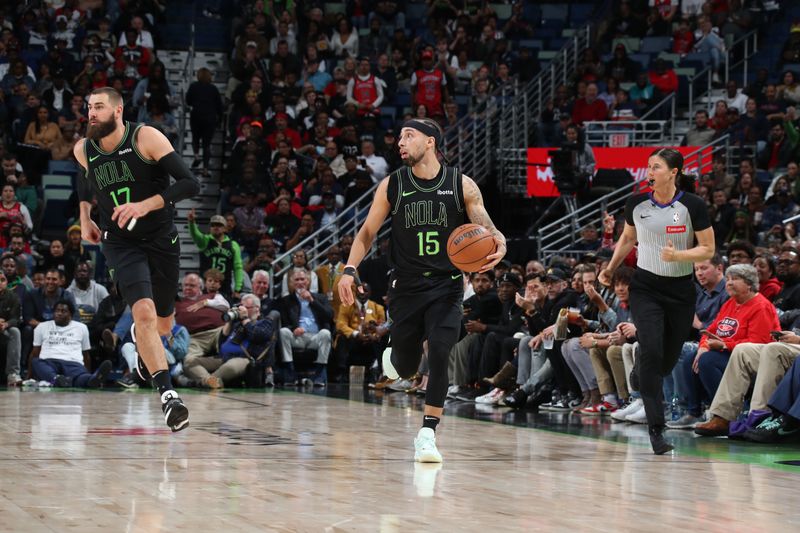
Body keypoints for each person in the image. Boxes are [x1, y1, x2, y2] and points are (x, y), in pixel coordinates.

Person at [338, 117, 506, 463]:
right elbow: (367, 233)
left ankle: (428, 433)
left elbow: (484, 225)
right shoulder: (392, 185)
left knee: (441, 351)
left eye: (409, 135)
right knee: (405, 364)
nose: (401, 141)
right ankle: (395, 359)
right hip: (406, 287)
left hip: (446, 284)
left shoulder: (462, 184)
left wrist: (499, 239)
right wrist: (349, 269)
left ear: (430, 142)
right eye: (399, 136)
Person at [73, 87, 199, 432]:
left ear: (118, 111)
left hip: (160, 238)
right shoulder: (84, 149)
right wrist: (85, 216)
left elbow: (191, 184)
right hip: (121, 242)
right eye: (88, 107)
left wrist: (146, 205)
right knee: (142, 311)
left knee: (164, 325)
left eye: (98, 107)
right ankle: (168, 396)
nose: (91, 113)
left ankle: (146, 352)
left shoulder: (145, 137)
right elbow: (84, 182)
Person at [600, 148, 715, 454]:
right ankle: (656, 429)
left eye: (656, 167)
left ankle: (642, 371)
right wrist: (610, 269)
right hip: (646, 287)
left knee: (665, 359)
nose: (649, 172)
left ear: (674, 172)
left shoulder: (693, 205)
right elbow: (627, 238)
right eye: (648, 167)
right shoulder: (636, 203)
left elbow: (708, 249)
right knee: (651, 349)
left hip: (680, 291)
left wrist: (679, 255)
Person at [29, 300, 112, 388]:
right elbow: (35, 352)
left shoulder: (81, 328)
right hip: (49, 362)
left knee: (80, 376)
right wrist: (29, 377)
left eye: (63, 311)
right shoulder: (42, 326)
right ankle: (57, 380)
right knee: (36, 362)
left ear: (71, 315)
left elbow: (86, 354)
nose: (59, 313)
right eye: (57, 311)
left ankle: (91, 379)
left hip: (73, 362)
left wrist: (86, 371)